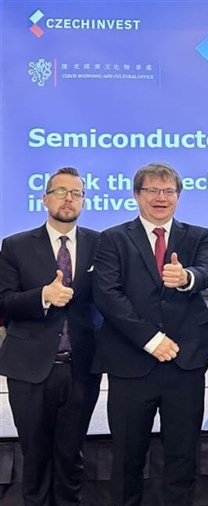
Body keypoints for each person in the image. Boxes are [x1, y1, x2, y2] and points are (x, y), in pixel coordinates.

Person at [92, 162, 208, 506]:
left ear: (178, 196)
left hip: (185, 363)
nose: (161, 198)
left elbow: (206, 271)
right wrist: (151, 339)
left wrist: (187, 276)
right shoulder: (112, 239)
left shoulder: (197, 235)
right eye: (152, 190)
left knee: (182, 458)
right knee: (128, 459)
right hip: (132, 364)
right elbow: (107, 295)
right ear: (137, 195)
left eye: (169, 191)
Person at [0, 167, 100, 506]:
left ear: (84, 201)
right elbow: (4, 302)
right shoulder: (15, 246)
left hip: (81, 370)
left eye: (76, 193)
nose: (68, 199)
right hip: (30, 371)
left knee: (72, 460)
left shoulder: (100, 244)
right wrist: (42, 295)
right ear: (45, 198)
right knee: (36, 460)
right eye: (60, 191)